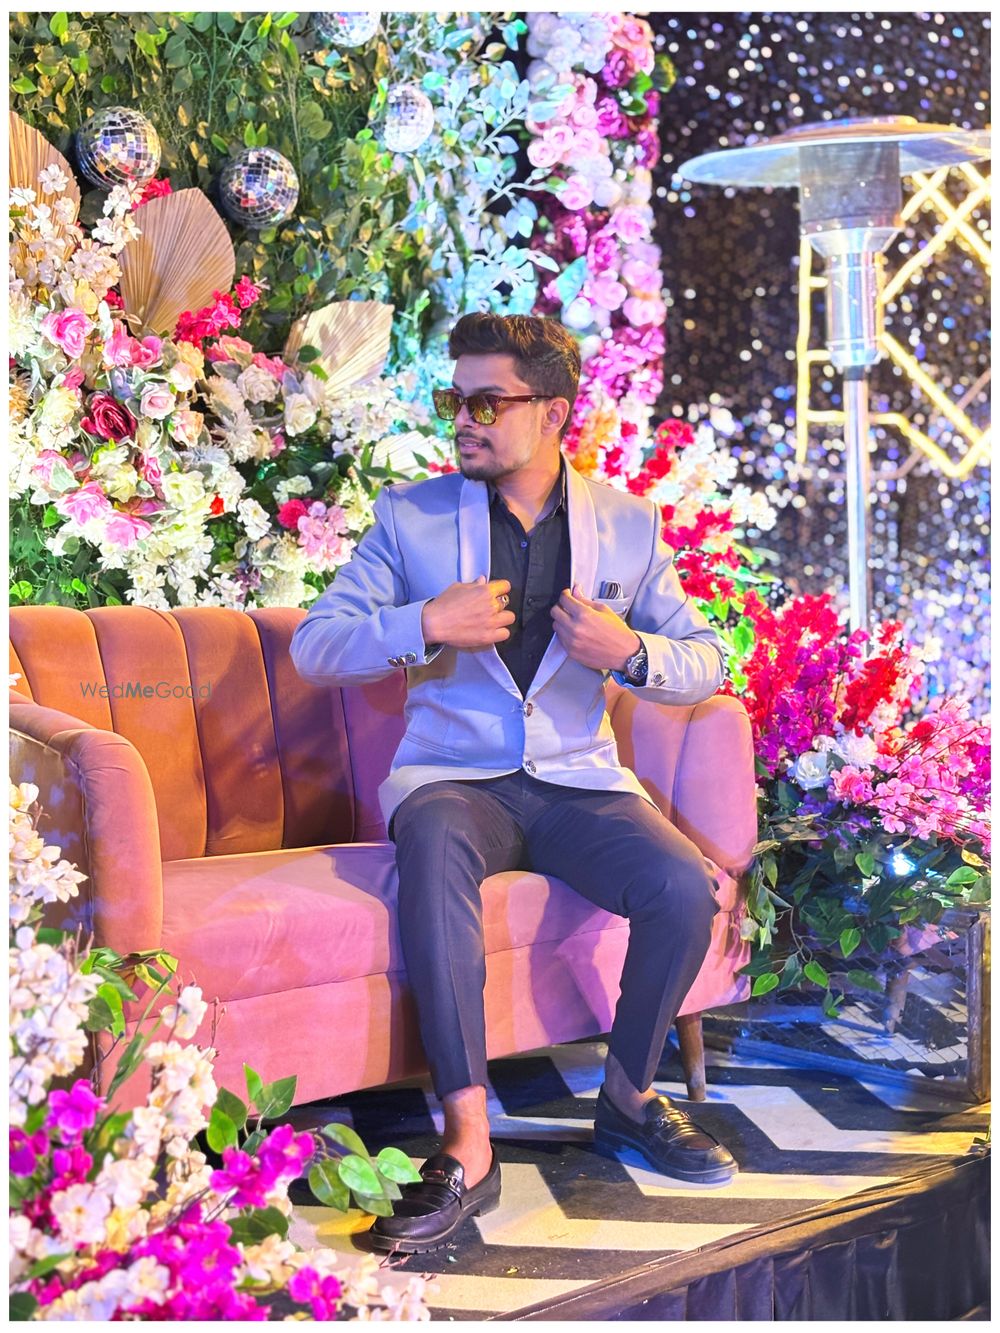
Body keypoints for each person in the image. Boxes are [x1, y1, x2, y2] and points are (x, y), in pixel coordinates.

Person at [290, 313, 736, 1254]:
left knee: (680, 884)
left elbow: (706, 659)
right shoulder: (409, 517)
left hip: (579, 780)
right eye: (454, 399)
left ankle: (628, 1099)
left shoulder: (628, 524)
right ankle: (468, 1138)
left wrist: (631, 651)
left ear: (554, 412)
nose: (464, 418)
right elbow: (317, 646)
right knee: (434, 845)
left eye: (487, 402)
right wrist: (424, 622)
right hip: (456, 779)